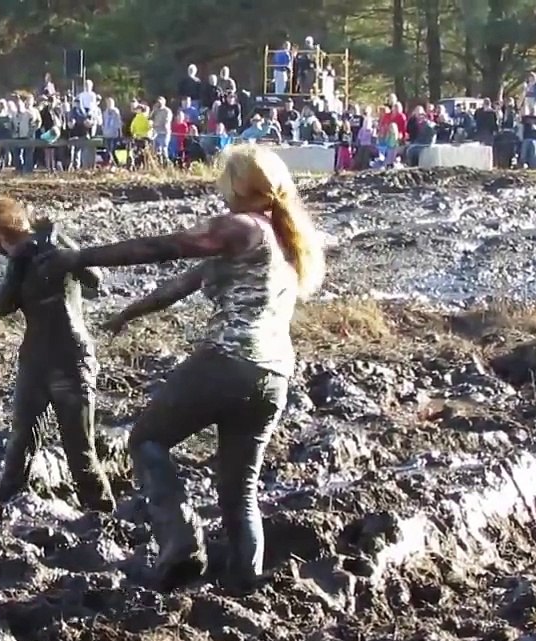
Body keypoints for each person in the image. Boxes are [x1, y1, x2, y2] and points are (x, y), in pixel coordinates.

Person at [33, 143, 325, 592]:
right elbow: (179, 285)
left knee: (147, 440)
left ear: (236, 186)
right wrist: (129, 313)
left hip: (229, 360)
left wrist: (80, 257)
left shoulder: (239, 228)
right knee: (239, 490)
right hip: (273, 377)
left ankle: (181, 542)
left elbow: (163, 247)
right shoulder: (282, 241)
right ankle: (243, 585)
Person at [0, 196, 117, 513]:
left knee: (79, 449)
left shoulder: (52, 246)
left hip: (71, 358)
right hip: (39, 360)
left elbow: (95, 277)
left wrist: (59, 243)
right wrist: (18, 259)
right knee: (22, 443)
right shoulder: (22, 260)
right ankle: (5, 508)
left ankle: (104, 517)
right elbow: (3, 307)